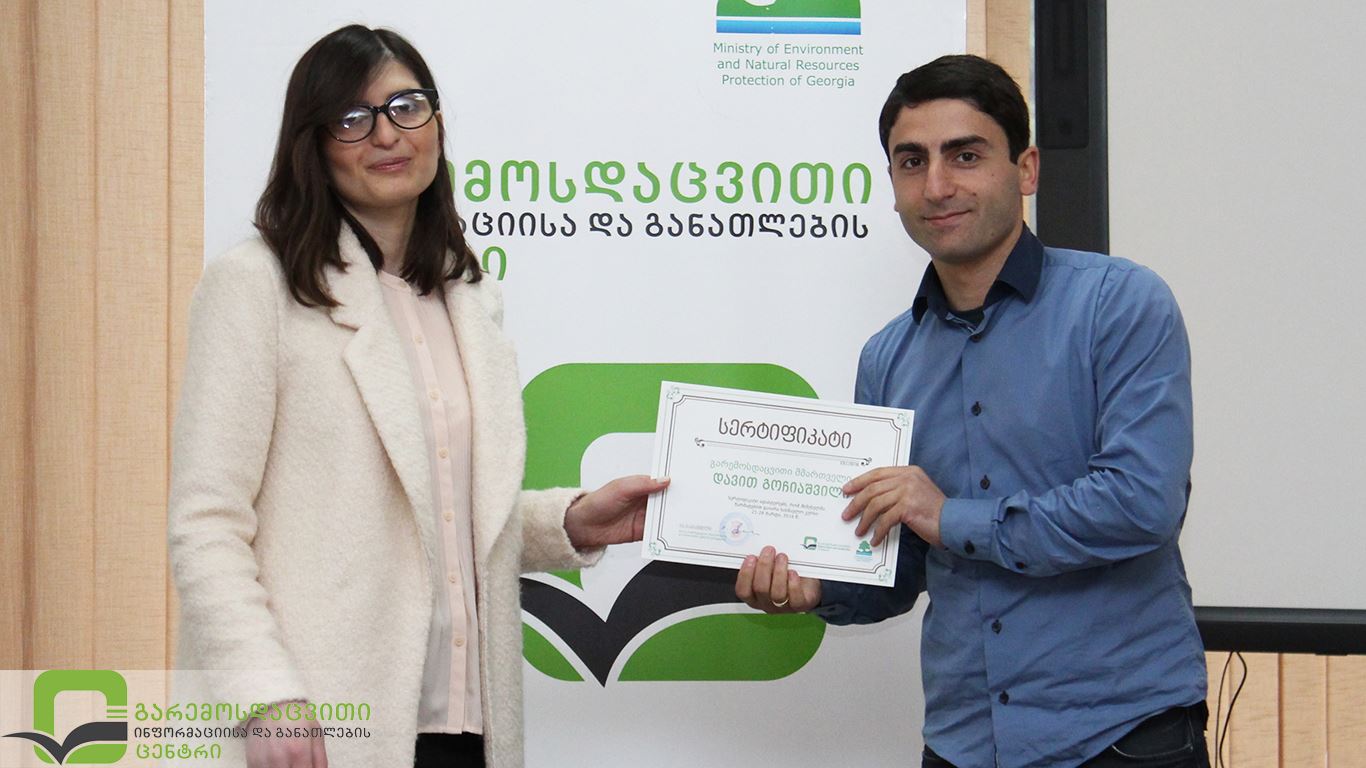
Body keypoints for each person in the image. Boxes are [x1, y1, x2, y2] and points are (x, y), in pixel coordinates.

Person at [168, 25, 667, 768]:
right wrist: (264, 694)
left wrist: (569, 522)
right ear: (313, 144)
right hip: (319, 719)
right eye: (353, 118)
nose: (387, 134)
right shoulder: (256, 286)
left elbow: (437, 514)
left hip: (465, 720)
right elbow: (206, 521)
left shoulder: (469, 298)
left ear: (435, 120)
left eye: (407, 106)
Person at [736, 55, 1209, 768]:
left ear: (1026, 170)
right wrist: (817, 587)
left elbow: (1142, 503)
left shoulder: (1119, 304)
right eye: (912, 162)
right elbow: (900, 563)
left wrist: (948, 515)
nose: (936, 186)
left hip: (1119, 735)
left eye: (965, 155)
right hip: (964, 742)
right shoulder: (886, 358)